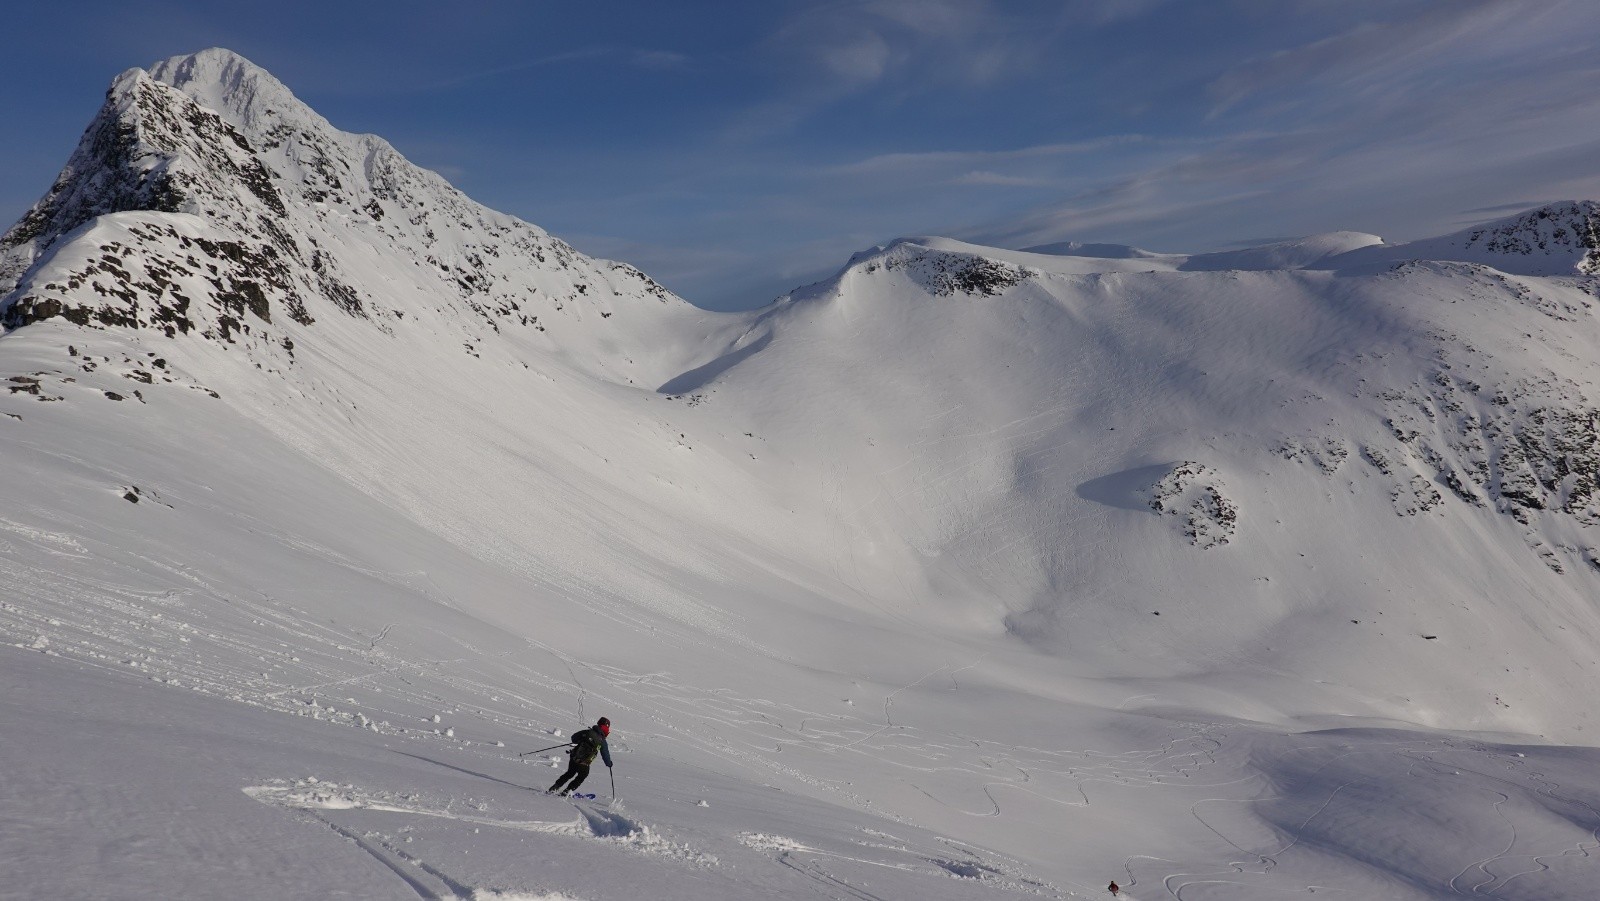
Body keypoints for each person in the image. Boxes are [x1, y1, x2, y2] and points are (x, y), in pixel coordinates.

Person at [548, 717, 612, 795]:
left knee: (570, 773)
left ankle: (554, 787)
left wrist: (581, 740)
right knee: (582, 775)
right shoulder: (602, 741)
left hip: (574, 757)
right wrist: (609, 764)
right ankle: (567, 791)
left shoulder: (588, 732)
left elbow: (573, 738)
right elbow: (605, 754)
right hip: (584, 763)